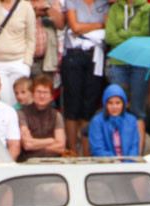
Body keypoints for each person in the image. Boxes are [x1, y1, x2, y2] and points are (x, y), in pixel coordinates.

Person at [61, 0, 108, 154]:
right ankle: (73, 151)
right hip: (74, 55)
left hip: (95, 56)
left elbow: (107, 24)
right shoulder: (72, 2)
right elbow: (75, 26)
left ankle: (87, 154)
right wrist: (99, 25)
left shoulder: (104, 3)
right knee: (73, 104)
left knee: (89, 104)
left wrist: (86, 28)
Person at [105, 0, 150, 122]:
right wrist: (132, 38)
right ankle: (118, 139)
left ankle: (138, 141)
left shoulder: (147, 8)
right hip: (118, 62)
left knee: (137, 108)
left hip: (140, 62)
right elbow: (109, 36)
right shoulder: (115, 8)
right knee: (117, 104)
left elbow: (145, 34)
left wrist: (121, 33)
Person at [19, 74, 65, 160]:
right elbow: (27, 145)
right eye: (39, 92)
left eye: (46, 92)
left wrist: (36, 145)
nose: (42, 96)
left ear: (51, 97)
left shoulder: (56, 115)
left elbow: (61, 147)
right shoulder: (22, 114)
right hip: (29, 162)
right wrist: (51, 140)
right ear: (32, 94)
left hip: (53, 162)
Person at [88, 83, 141, 157]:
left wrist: (127, 163)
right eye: (110, 103)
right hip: (105, 165)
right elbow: (97, 149)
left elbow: (134, 148)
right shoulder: (97, 121)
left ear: (124, 103)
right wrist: (115, 162)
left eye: (118, 103)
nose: (114, 107)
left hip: (129, 165)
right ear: (105, 104)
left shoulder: (131, 120)